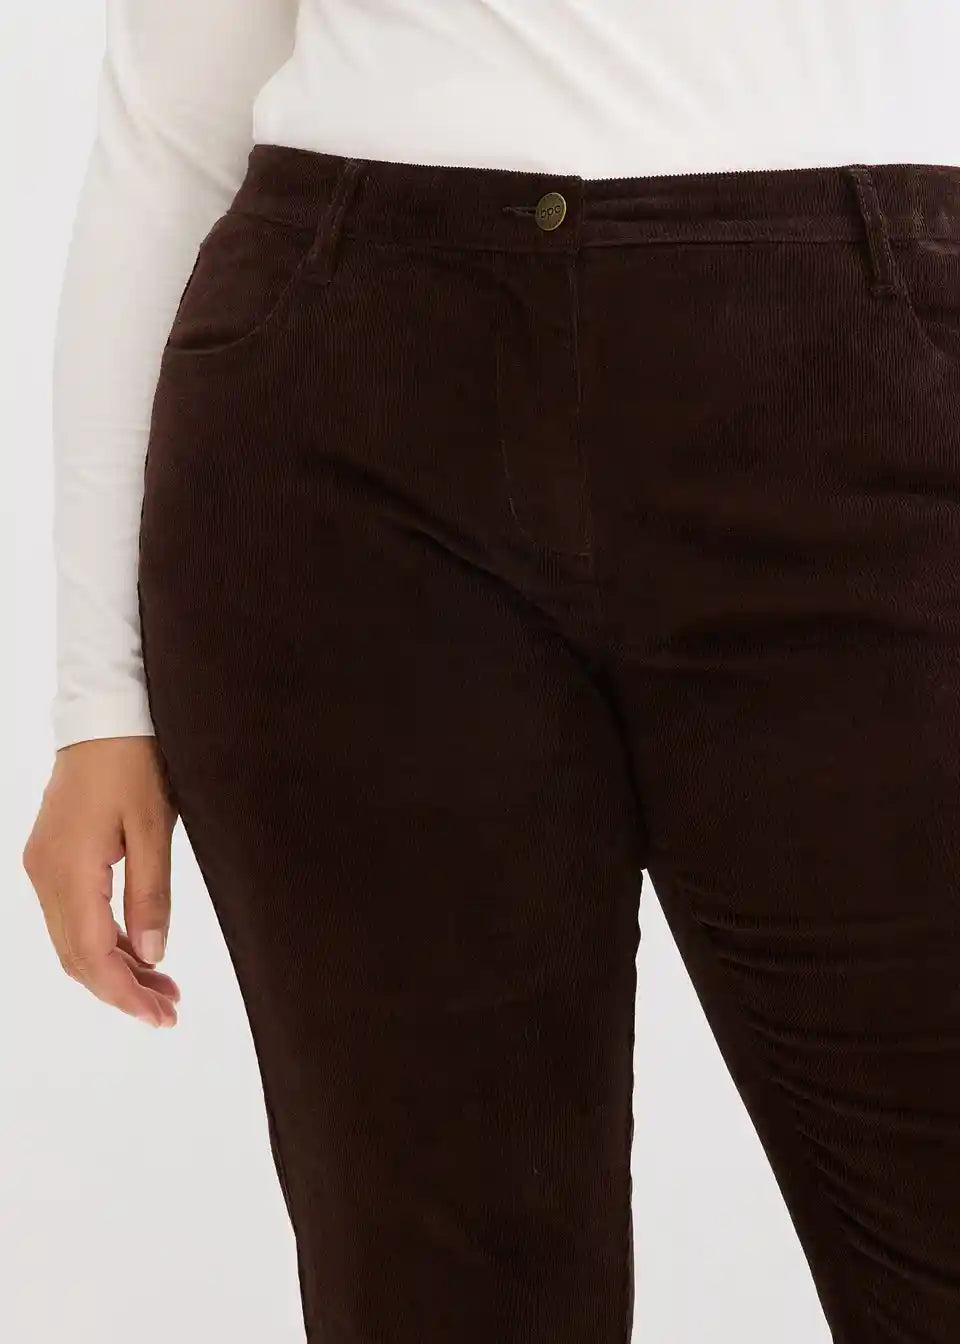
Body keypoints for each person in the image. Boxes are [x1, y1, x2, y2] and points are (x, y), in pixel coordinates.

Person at [21, 1, 960, 1339]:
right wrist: (99, 695)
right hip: (358, 445)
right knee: (440, 1294)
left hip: (866, 386)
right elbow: (171, 129)